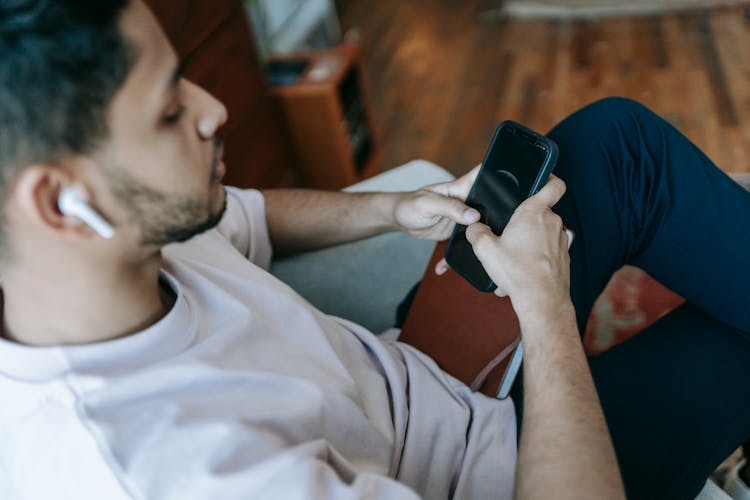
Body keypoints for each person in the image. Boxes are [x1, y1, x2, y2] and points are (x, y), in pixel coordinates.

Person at [0, 1, 748, 499]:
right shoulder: (193, 472)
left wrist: (393, 209)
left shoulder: (116, 247)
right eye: (169, 111)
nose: (214, 108)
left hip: (419, 375)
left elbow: (248, 218)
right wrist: (545, 305)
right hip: (508, 476)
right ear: (57, 201)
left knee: (617, 142)